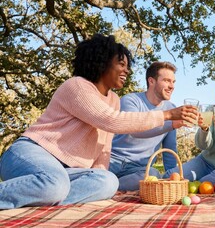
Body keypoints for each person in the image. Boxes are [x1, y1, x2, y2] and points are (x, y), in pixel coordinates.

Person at [0, 34, 197, 209]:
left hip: (66, 171)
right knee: (55, 184)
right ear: (102, 62)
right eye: (121, 64)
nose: (126, 71)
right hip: (32, 153)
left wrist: (99, 177)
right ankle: (45, 192)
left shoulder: (112, 99)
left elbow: (104, 145)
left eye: (127, 66)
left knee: (108, 182)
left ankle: (43, 200)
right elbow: (113, 121)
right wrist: (168, 115)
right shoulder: (77, 86)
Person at [109, 61, 184, 191]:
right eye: (166, 80)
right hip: (113, 160)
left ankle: (112, 187)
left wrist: (173, 177)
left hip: (139, 169)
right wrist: (171, 123)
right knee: (96, 174)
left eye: (173, 82)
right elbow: (134, 130)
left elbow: (169, 148)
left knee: (154, 174)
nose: (171, 86)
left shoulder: (171, 108)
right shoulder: (131, 100)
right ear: (151, 81)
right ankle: (109, 184)